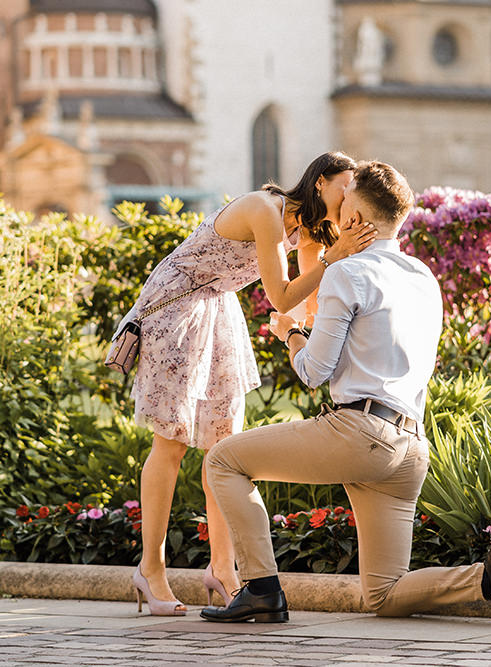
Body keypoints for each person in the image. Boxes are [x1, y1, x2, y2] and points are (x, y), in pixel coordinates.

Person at [201, 160, 491, 626]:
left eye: (342, 205)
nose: (334, 214)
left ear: (355, 221)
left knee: (223, 460)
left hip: (359, 433)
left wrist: (290, 332)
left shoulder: (347, 272)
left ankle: (261, 587)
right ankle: (488, 579)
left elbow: (314, 371)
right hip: (410, 448)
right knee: (382, 595)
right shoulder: (423, 277)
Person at [118, 152, 377, 615]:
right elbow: (280, 295)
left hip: (218, 307)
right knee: (171, 443)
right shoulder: (265, 208)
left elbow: (303, 306)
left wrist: (322, 327)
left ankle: (224, 570)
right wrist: (335, 257)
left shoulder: (313, 233)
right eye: (346, 185)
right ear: (320, 183)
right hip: (176, 304)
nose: (350, 195)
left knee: (224, 447)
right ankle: (150, 568)